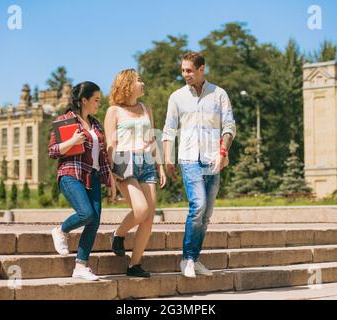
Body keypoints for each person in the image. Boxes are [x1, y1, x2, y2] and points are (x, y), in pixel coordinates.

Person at [162, 52, 236, 278]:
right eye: (183, 70)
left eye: (189, 70)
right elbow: (169, 129)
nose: (185, 74)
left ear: (202, 69)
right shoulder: (177, 97)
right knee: (198, 205)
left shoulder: (219, 94)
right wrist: (168, 157)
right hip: (188, 157)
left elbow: (229, 126)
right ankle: (186, 259)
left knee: (206, 214)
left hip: (213, 159)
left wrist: (223, 151)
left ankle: (194, 257)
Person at [49, 81, 116, 281]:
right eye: (95, 100)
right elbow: (53, 151)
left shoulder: (95, 124)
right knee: (86, 213)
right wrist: (72, 141)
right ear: (83, 100)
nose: (98, 104)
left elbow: (102, 156)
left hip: (93, 176)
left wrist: (110, 180)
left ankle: (81, 266)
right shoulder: (66, 120)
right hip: (71, 174)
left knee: (94, 221)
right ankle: (61, 230)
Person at [104, 69, 166, 278]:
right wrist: (111, 173)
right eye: (139, 80)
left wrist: (161, 166)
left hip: (147, 163)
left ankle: (134, 265)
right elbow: (110, 143)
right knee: (140, 210)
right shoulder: (114, 111)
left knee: (148, 219)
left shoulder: (146, 108)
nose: (143, 83)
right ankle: (118, 234)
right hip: (124, 163)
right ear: (127, 85)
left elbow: (152, 139)